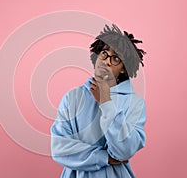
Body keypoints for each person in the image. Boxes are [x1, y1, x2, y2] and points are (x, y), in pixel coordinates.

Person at [51, 24, 147, 178]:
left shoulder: (134, 103)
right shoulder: (72, 98)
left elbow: (124, 150)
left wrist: (106, 102)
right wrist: (105, 158)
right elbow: (59, 149)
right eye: (104, 53)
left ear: (124, 68)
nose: (107, 61)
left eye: (116, 58)